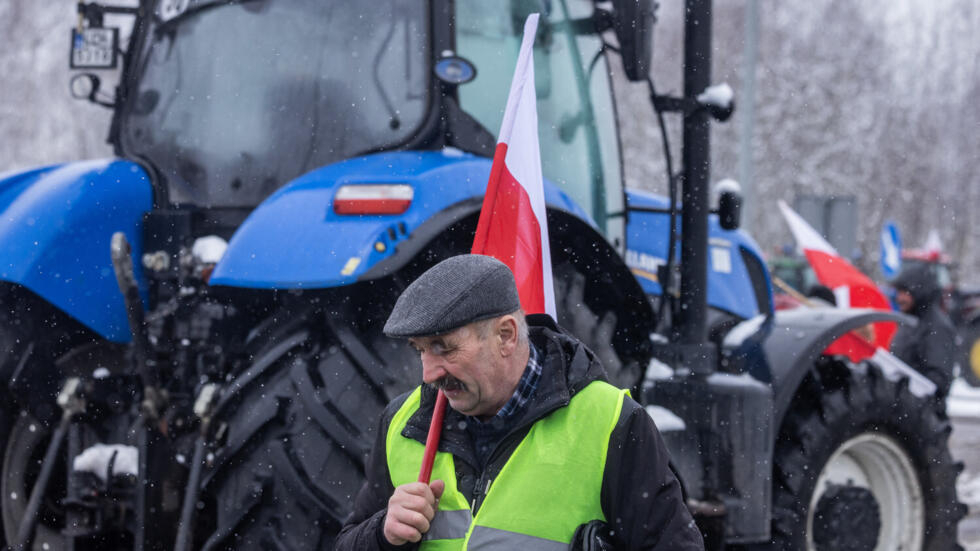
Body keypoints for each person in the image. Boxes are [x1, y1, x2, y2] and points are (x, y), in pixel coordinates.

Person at [334, 254, 704, 550]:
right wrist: (382, 536)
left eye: (443, 348)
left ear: (506, 335)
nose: (429, 373)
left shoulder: (611, 423)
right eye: (420, 351)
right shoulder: (402, 422)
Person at [890, 262, 958, 397]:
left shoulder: (937, 327)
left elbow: (939, 381)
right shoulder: (909, 322)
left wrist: (904, 386)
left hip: (924, 414)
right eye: (898, 292)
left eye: (905, 293)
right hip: (906, 409)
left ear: (919, 292)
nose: (899, 298)